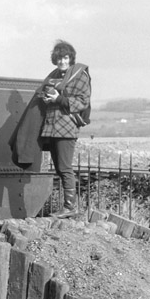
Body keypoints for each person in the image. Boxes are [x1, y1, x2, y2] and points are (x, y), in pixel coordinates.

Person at [39, 40, 91, 218]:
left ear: (71, 58)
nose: (62, 61)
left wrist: (58, 99)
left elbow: (82, 102)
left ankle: (70, 207)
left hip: (66, 127)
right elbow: (43, 91)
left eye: (65, 57)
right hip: (52, 126)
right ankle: (68, 207)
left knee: (65, 167)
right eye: (59, 58)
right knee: (60, 168)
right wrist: (46, 98)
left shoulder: (79, 75)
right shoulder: (54, 74)